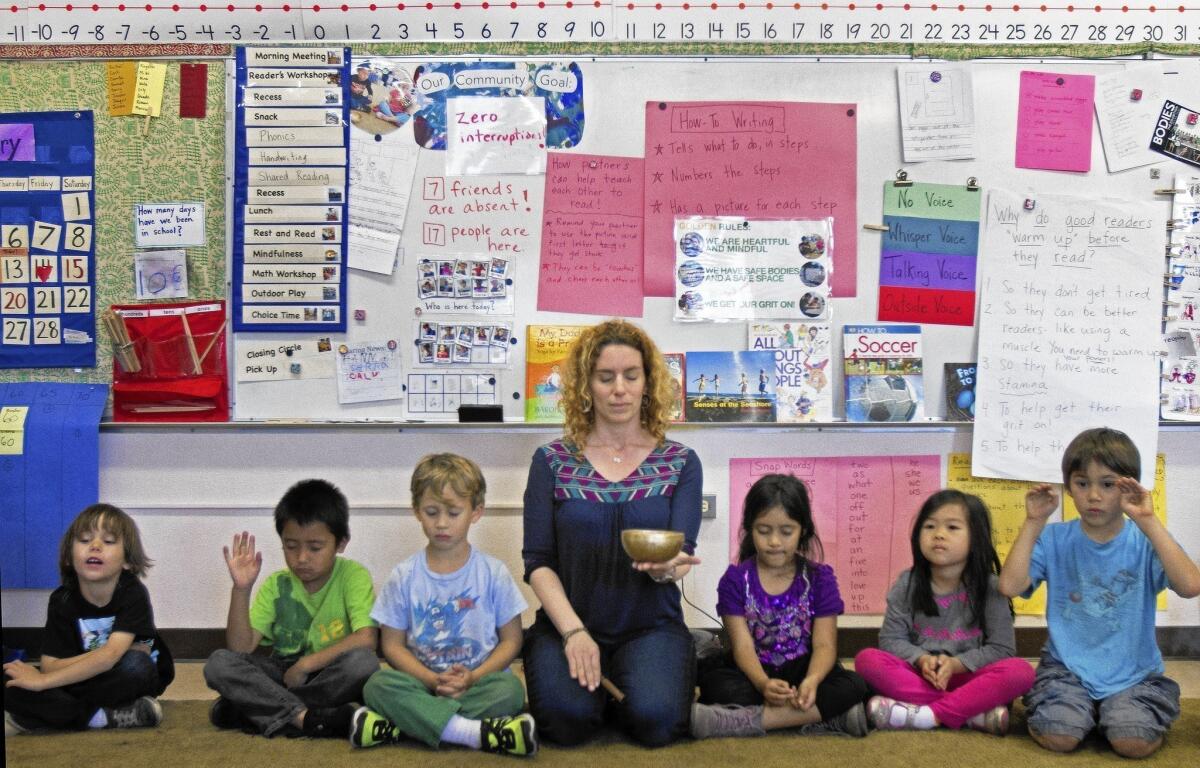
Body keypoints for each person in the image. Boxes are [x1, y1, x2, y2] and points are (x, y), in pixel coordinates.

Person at [522, 319, 702, 747]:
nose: (619, 389)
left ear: (648, 382)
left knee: (656, 724)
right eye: (606, 378)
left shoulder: (680, 462)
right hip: (569, 623)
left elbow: (681, 553)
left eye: (630, 376)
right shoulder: (551, 461)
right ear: (587, 385)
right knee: (566, 724)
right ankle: (599, 688)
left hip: (650, 627)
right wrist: (573, 633)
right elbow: (538, 563)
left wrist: (666, 570)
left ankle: (631, 684)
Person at [999, 428, 1200, 758]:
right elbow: (1009, 586)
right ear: (1069, 487)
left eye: (1107, 484)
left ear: (1129, 488)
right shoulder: (1054, 538)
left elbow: (1191, 585)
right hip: (1065, 670)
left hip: (1134, 675)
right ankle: (1082, 712)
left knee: (1133, 743)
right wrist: (1033, 522)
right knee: (1059, 736)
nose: (1093, 495)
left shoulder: (1145, 539)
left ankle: (1106, 713)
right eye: (1082, 483)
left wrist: (1149, 520)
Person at [349, 454, 536, 756]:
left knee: (511, 690)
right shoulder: (404, 576)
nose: (441, 523)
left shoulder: (493, 573)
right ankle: (472, 733)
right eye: (432, 512)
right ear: (417, 512)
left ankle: (403, 725)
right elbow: (392, 646)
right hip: (420, 683)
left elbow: (512, 641)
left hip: (479, 682)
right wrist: (431, 680)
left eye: (453, 512)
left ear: (476, 512)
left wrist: (473, 677)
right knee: (378, 684)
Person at [690, 474, 869, 739]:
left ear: (803, 530)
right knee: (717, 686)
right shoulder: (736, 581)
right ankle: (827, 718)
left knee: (854, 684)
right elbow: (742, 646)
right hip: (754, 672)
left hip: (803, 670)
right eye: (764, 531)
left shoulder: (820, 579)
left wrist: (812, 681)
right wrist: (763, 683)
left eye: (786, 532)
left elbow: (824, 645)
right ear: (750, 529)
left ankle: (740, 722)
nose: (774, 542)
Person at [203, 479, 379, 739]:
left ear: (340, 543)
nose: (302, 558)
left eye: (315, 547)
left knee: (364, 664)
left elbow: (366, 639)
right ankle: (306, 718)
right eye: (291, 546)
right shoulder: (278, 583)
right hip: (282, 672)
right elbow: (240, 649)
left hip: (330, 671)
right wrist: (241, 589)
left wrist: (307, 664)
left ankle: (255, 710)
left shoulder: (353, 575)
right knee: (218, 664)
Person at [854, 489, 1034, 735]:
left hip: (970, 678)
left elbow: (1002, 649)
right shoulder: (908, 583)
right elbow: (891, 640)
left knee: (1020, 672)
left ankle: (928, 715)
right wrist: (922, 659)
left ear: (976, 538)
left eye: (952, 527)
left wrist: (957, 665)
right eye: (930, 526)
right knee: (867, 660)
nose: (938, 534)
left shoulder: (991, 586)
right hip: (920, 676)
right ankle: (972, 715)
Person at [4, 504, 173, 735]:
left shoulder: (132, 592)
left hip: (128, 676)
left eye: (109, 541)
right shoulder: (62, 600)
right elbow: (49, 664)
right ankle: (99, 717)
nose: (94, 546)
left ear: (128, 561)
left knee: (135, 664)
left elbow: (111, 656)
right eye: (84, 540)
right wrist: (45, 676)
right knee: (11, 679)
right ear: (69, 557)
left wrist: (44, 683)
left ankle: (46, 714)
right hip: (80, 680)